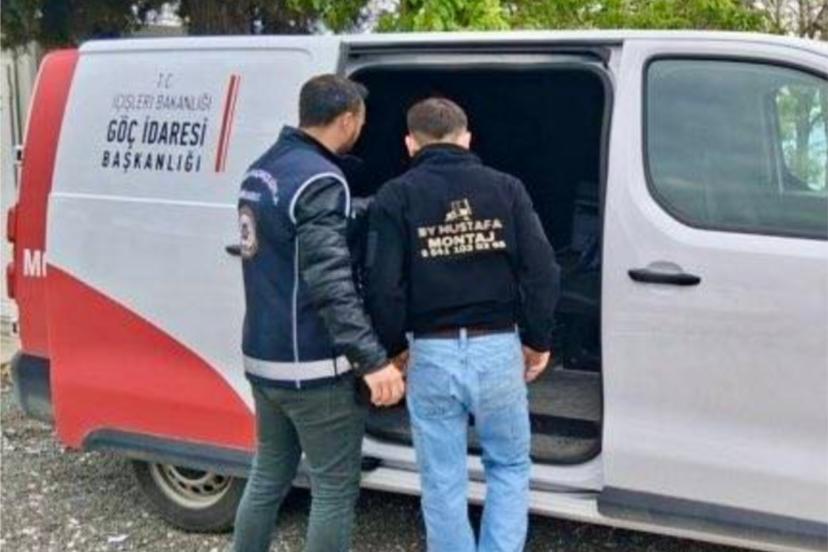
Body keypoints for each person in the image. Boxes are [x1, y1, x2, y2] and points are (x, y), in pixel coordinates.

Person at [366, 98, 560, 552]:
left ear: (410, 144)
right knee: (509, 466)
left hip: (431, 352)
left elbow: (383, 287)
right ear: (467, 138)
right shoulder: (507, 188)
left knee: (441, 479)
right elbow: (544, 272)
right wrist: (538, 339)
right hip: (498, 348)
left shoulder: (396, 195)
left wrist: (393, 349)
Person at [232, 74, 406, 552]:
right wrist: (372, 360)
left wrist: (366, 208)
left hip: (263, 357)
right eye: (361, 122)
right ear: (347, 119)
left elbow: (291, 239)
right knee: (333, 489)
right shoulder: (321, 179)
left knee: (267, 476)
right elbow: (329, 281)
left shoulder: (263, 169)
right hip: (311, 367)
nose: (361, 131)